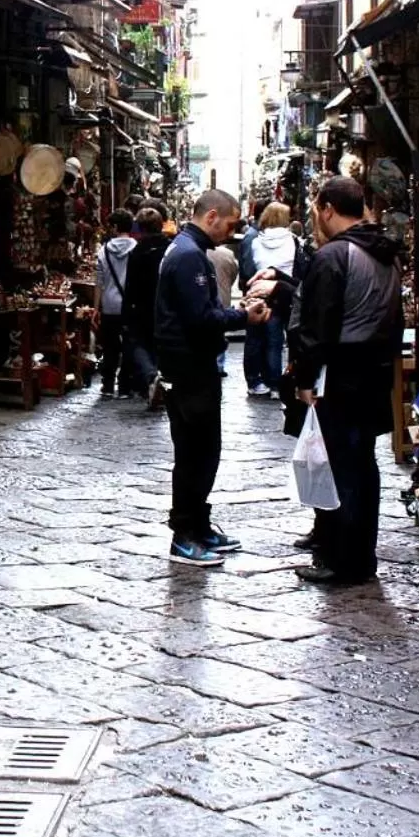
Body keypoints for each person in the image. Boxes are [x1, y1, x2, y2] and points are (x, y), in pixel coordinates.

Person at [289, 177, 403, 585]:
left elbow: (317, 326)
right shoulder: (385, 252)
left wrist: (305, 377)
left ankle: (343, 560)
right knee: (362, 465)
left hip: (340, 374)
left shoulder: (335, 256)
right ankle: (357, 554)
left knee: (341, 466)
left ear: (327, 208)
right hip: (373, 372)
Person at [154, 189, 270, 566]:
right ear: (211, 216)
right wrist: (244, 317)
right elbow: (200, 318)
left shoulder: (189, 251)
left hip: (190, 365)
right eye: (231, 223)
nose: (231, 232)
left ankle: (198, 525)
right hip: (188, 368)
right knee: (195, 453)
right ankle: (184, 536)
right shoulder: (188, 256)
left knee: (204, 450)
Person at [244, 202, 298, 395]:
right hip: (284, 292)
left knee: (257, 339)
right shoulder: (292, 241)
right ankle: (275, 383)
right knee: (276, 341)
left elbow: (248, 267)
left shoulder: (256, 241)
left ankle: (255, 381)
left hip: (259, 291)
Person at [121, 206, 170, 408]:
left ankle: (151, 377)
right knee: (160, 344)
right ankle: (160, 380)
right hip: (165, 305)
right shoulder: (170, 248)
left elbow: (130, 284)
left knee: (138, 343)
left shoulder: (136, 252)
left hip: (141, 306)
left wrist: (126, 312)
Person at [95, 209, 137, 398]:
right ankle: (125, 386)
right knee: (129, 345)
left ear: (114, 227)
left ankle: (108, 385)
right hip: (130, 305)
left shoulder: (103, 251)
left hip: (110, 304)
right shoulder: (137, 248)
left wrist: (96, 308)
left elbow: (99, 282)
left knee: (110, 347)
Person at [208, 228, 240, 377]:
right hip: (223, 295)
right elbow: (234, 272)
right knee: (220, 330)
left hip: (208, 296)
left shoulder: (200, 252)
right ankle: (219, 364)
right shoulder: (228, 255)